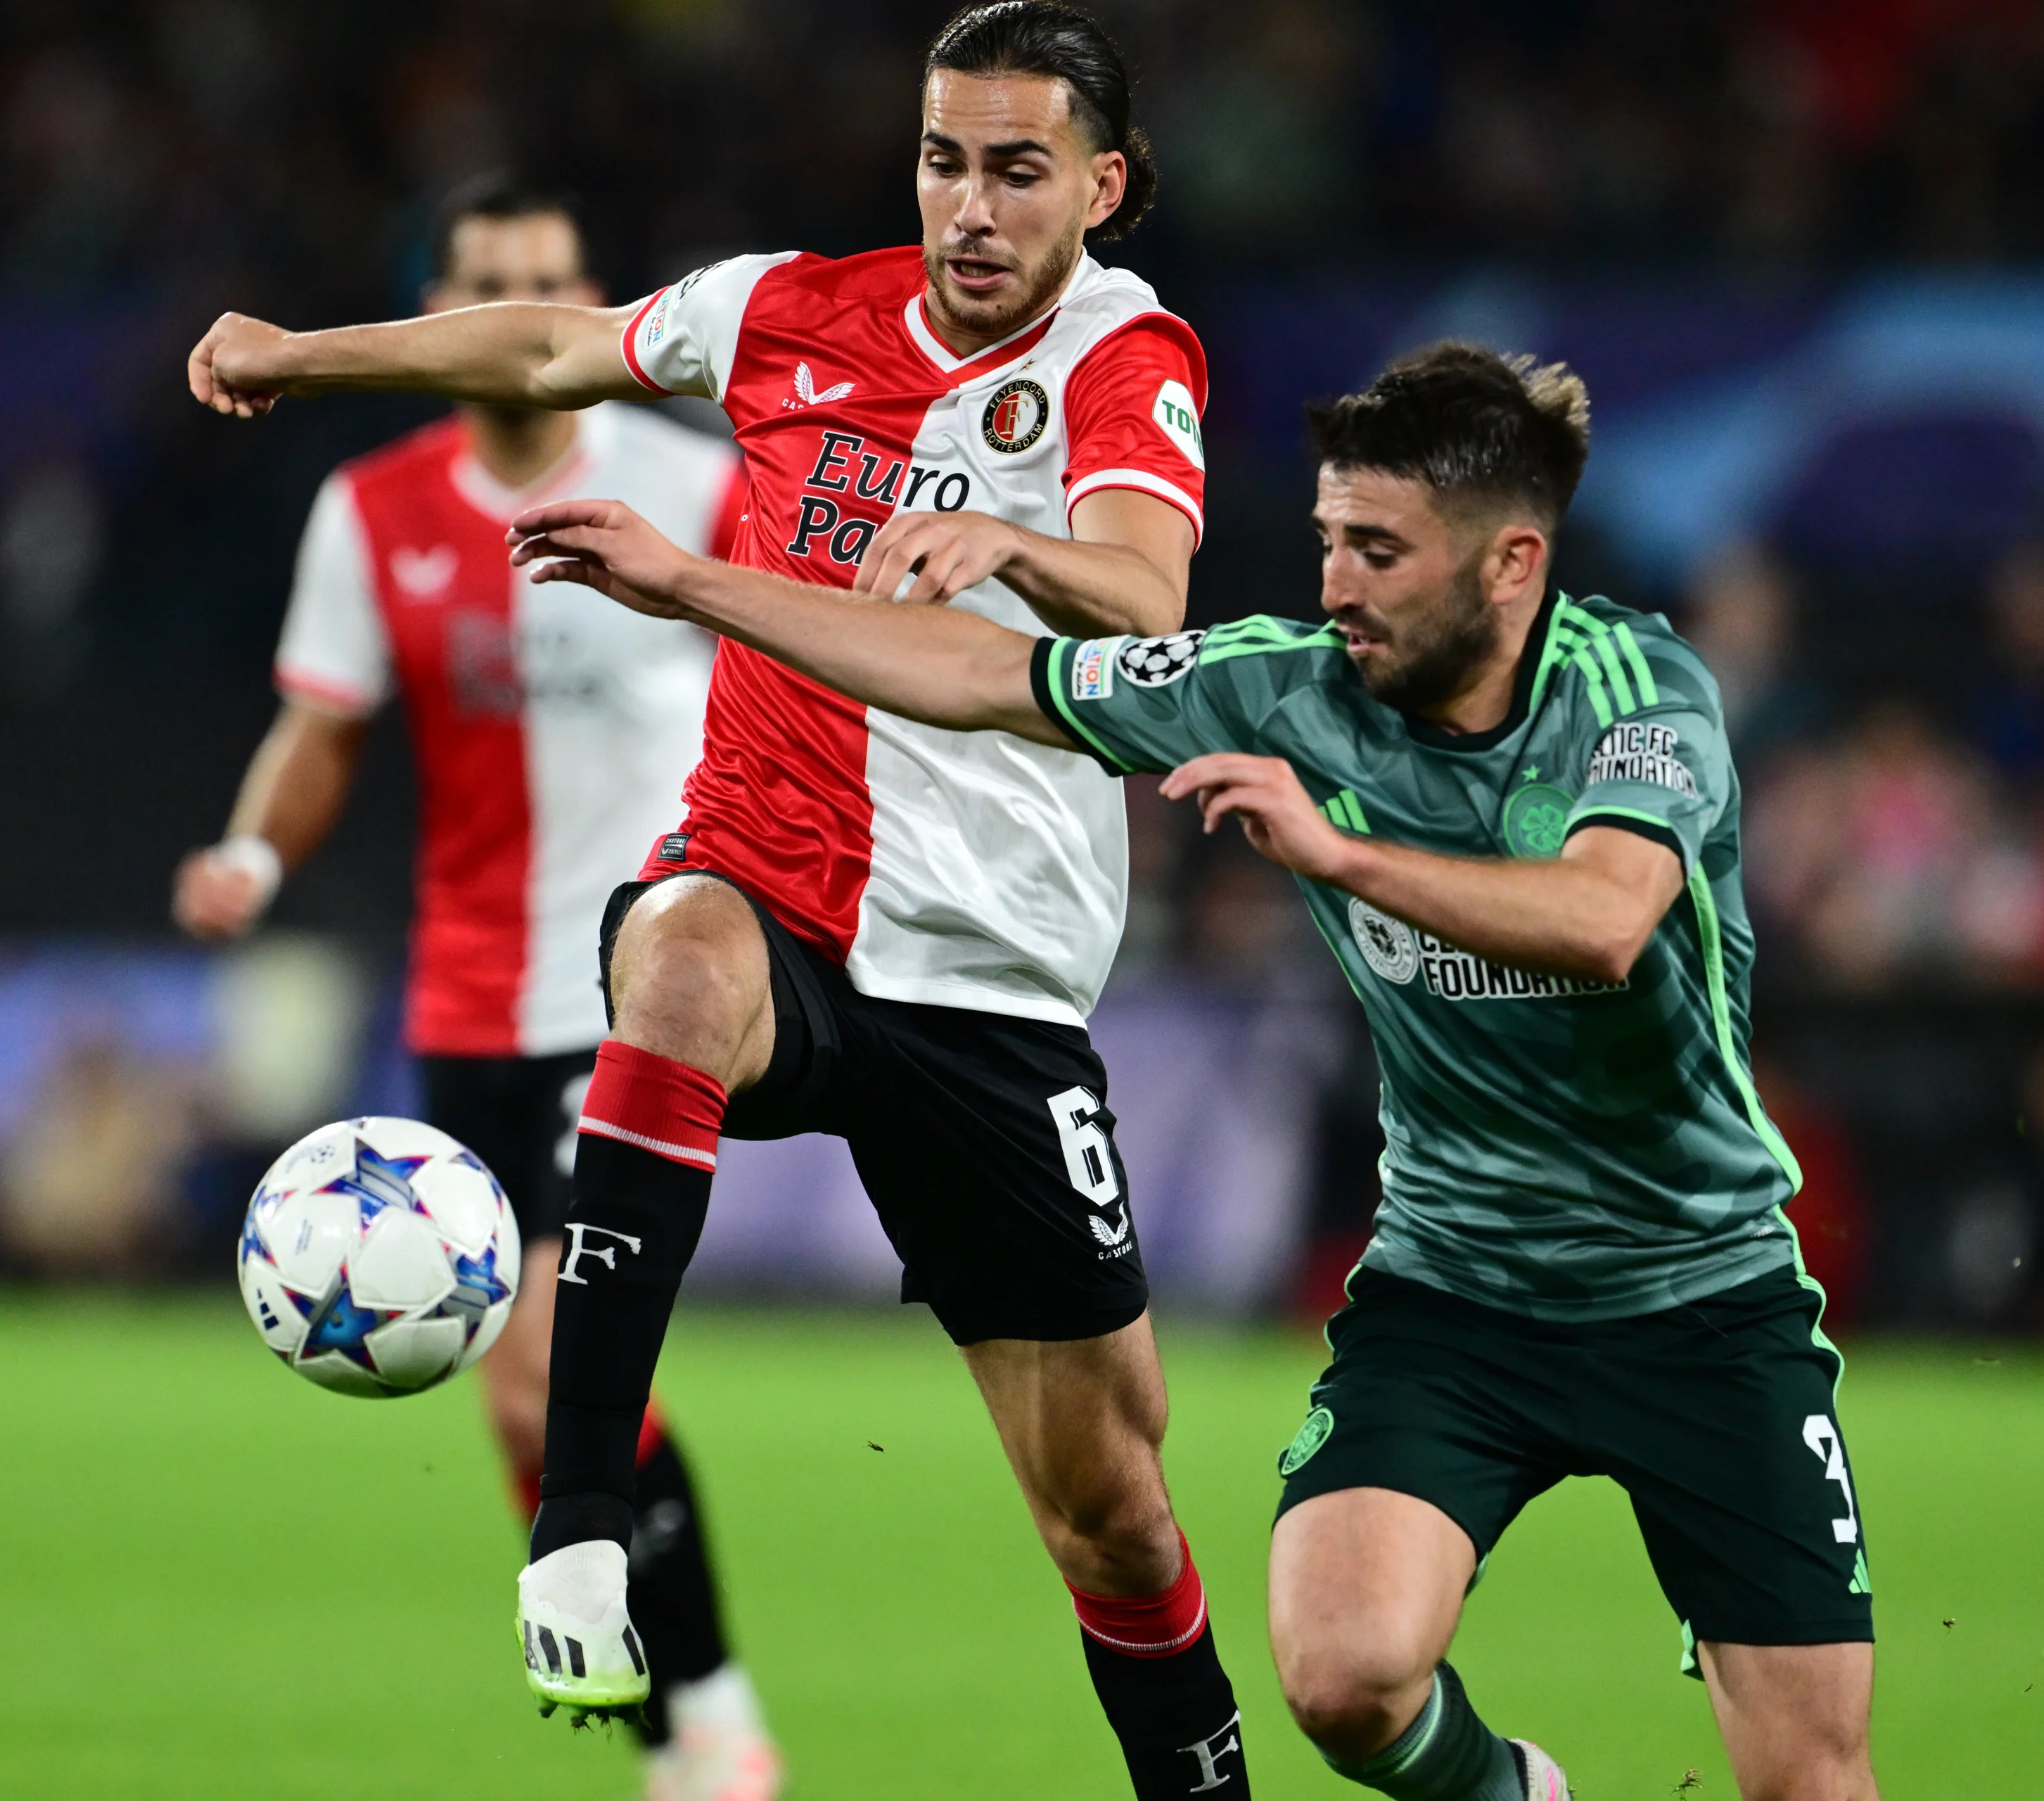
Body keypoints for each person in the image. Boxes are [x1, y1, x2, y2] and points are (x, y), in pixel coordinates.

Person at [499, 341, 1884, 1801]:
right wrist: (695, 582)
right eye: (1329, 540)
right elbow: (985, 674)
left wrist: (1341, 852)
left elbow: (1605, 920)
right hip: (1459, 1295)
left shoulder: (1639, 687)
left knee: (1809, 1779)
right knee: (1343, 1679)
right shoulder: (1289, 684)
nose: (1336, 582)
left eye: (1379, 550)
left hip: (1700, 1297)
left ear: (1512, 563)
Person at [186, 8, 1252, 1795]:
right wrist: (307, 352)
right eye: (941, 158)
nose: (970, 207)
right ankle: (587, 1515)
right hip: (768, 886)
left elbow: (1147, 593)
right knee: (676, 953)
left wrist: (1018, 546)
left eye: (1017, 168)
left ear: (1103, 186)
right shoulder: (785, 311)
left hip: (991, 981)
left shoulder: (1122, 357)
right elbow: (550, 341)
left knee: (1114, 1513)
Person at [171, 177, 777, 1801]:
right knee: (519, 1402)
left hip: (642, 980)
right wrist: (252, 852)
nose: (520, 313)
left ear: (585, 309)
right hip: (465, 1004)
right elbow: (322, 728)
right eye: (491, 283)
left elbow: (805, 679)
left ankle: (711, 1721)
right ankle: (688, 1723)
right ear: (441, 313)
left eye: (550, 282)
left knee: (542, 1364)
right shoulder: (372, 510)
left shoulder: (693, 489)